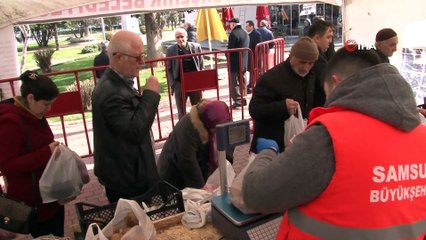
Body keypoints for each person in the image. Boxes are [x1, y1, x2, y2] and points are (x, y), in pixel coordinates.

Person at [242, 48, 426, 239]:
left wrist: (268, 153)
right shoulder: (422, 134)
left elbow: (257, 195)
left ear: (335, 82)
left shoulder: (329, 136)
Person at [92, 30, 161, 203]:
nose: (142, 62)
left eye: (143, 56)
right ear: (118, 57)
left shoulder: (115, 83)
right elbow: (135, 130)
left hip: (128, 172)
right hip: (127, 178)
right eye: (137, 58)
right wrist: (150, 95)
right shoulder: (111, 91)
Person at [0, 70, 64, 237]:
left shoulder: (34, 113)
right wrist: (46, 153)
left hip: (49, 199)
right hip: (32, 205)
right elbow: (7, 166)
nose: (49, 109)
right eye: (46, 104)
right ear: (30, 98)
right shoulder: (11, 121)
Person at [249, 37, 318, 154]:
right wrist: (282, 107)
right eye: (302, 62)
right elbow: (255, 110)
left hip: (295, 146)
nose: (306, 67)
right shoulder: (270, 79)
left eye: (310, 63)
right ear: (291, 57)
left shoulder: (311, 76)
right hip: (270, 146)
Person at [157, 99, 234, 189]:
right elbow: (187, 160)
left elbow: (230, 143)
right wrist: (201, 186)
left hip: (201, 168)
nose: (217, 133)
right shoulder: (188, 126)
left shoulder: (225, 119)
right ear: (207, 124)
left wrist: (224, 166)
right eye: (214, 130)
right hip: (174, 173)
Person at [166, 28, 204, 119]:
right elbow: (169, 69)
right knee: (181, 110)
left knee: (198, 108)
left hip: (194, 82)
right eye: (177, 37)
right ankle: (183, 129)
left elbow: (201, 65)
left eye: (182, 37)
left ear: (186, 37)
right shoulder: (171, 50)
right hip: (179, 83)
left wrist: (202, 81)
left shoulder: (196, 47)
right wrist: (173, 84)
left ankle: (199, 127)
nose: (180, 39)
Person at [307, 20, 334, 108]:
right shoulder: (315, 57)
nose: (330, 41)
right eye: (328, 37)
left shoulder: (320, 54)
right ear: (317, 38)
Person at [228, 18, 249, 109]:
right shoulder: (245, 33)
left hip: (234, 62)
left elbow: (230, 49)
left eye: (230, 24)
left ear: (233, 24)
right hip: (244, 61)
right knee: (242, 80)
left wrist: (226, 55)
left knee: (234, 81)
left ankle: (237, 100)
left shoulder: (233, 34)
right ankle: (243, 97)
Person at [245, 20, 262, 94]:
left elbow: (258, 46)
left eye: (247, 26)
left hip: (254, 56)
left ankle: (251, 85)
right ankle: (251, 85)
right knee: (251, 71)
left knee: (253, 71)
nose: (246, 28)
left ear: (251, 26)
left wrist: (257, 57)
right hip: (250, 56)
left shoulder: (256, 34)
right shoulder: (249, 34)